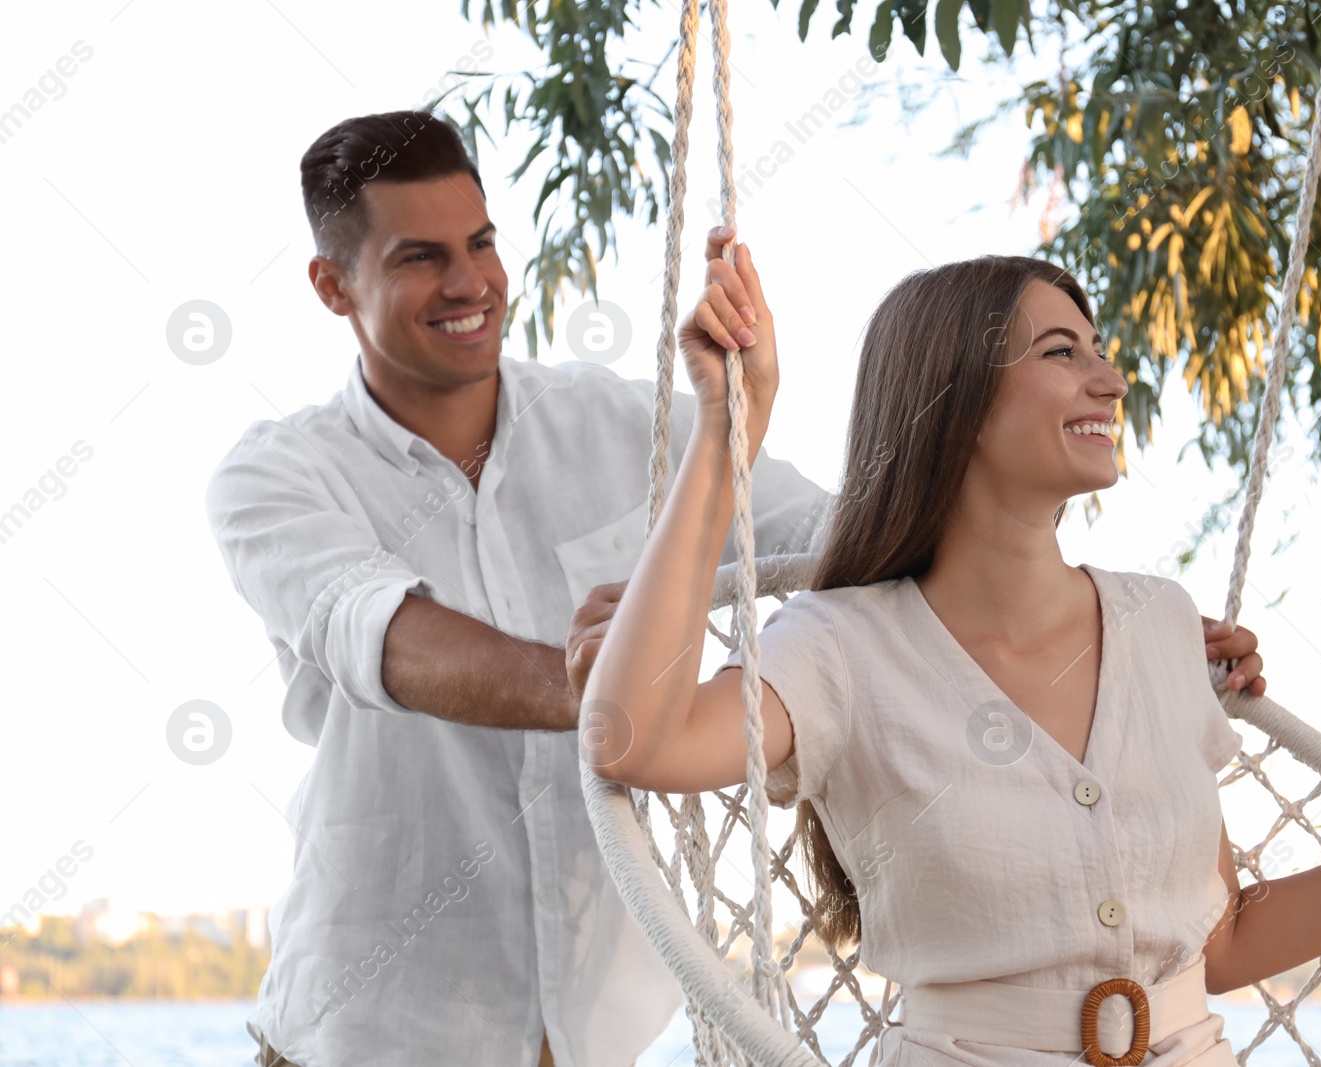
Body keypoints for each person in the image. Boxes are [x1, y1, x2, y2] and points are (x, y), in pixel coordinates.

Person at [571, 240, 1321, 1067]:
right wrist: (724, 440)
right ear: (949, 399)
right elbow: (631, 740)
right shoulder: (839, 648)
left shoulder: (1163, 627)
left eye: (1098, 349)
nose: (1109, 377)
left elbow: (1223, 941)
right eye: (1059, 351)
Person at [204, 110, 846, 1067]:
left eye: (482, 242)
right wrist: (614, 689)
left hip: (593, 1047)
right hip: (366, 1041)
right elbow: (390, 640)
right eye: (421, 257)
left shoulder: (631, 425)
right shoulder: (276, 476)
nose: (469, 283)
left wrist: (737, 424)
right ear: (332, 286)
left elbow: (842, 542)